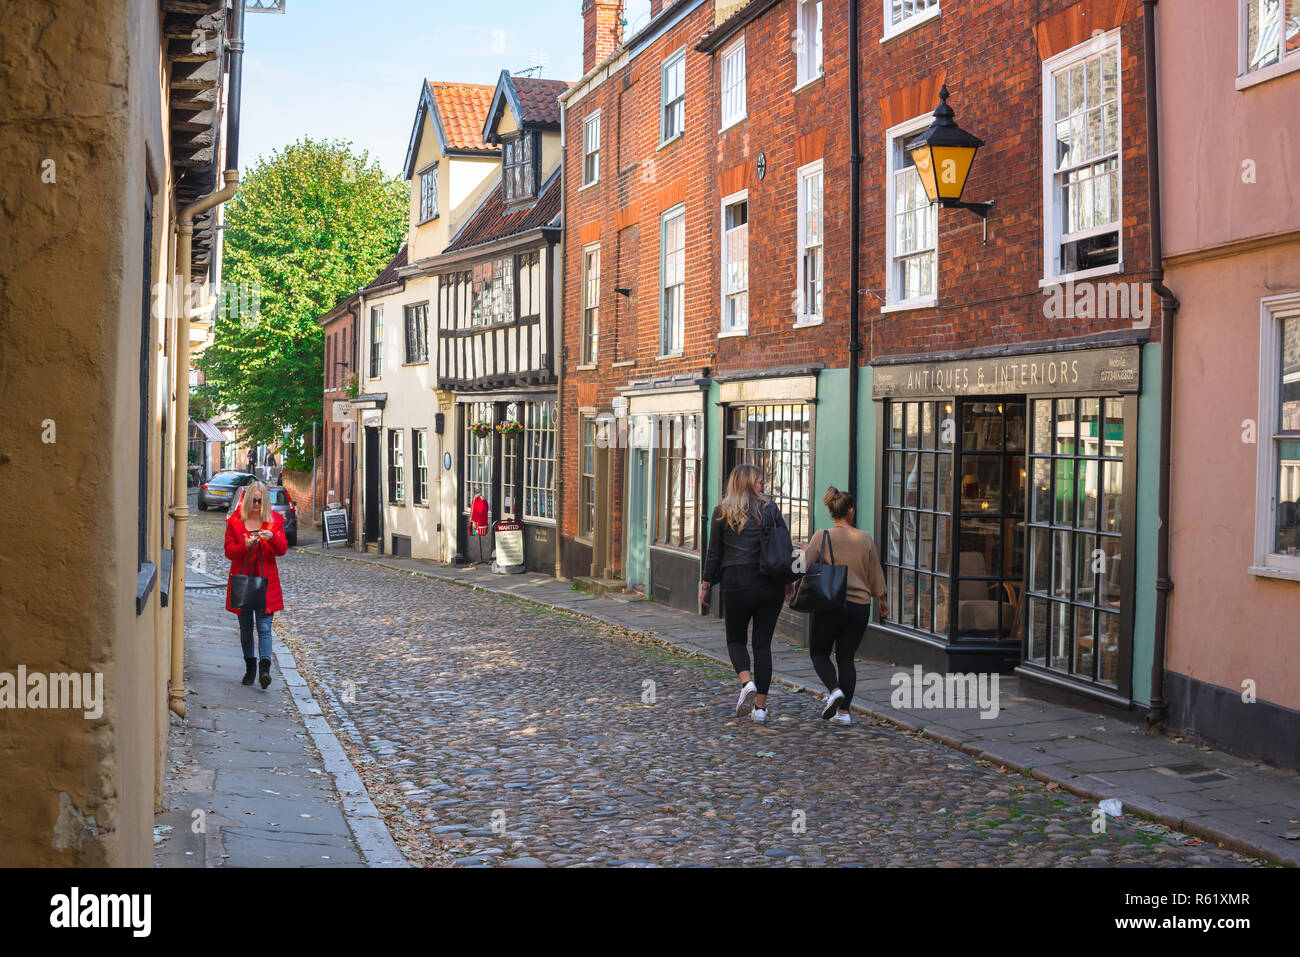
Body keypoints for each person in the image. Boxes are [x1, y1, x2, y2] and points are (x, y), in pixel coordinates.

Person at [700, 464, 793, 724]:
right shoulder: (770, 510)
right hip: (769, 583)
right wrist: (788, 580)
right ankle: (761, 709)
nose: (763, 486)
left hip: (736, 582)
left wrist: (706, 584)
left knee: (736, 640)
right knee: (763, 645)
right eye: (760, 482)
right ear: (749, 484)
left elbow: (714, 553)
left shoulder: (722, 512)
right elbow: (784, 546)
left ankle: (746, 682)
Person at [802, 486, 888, 726]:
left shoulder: (822, 536)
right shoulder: (864, 538)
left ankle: (834, 690)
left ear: (832, 511)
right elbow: (875, 573)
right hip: (859, 607)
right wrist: (882, 600)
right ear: (850, 511)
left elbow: (807, 567)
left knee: (819, 653)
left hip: (830, 605)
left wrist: (806, 551)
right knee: (846, 659)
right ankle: (844, 713)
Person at [224, 480, 288, 688]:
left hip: (266, 583)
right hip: (243, 581)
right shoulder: (235, 522)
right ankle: (250, 668)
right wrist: (244, 545)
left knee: (264, 627)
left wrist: (272, 539)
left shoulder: (274, 522)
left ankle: (264, 670)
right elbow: (229, 551)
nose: (257, 505)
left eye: (260, 501)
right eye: (254, 500)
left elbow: (281, 550)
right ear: (247, 501)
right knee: (245, 628)